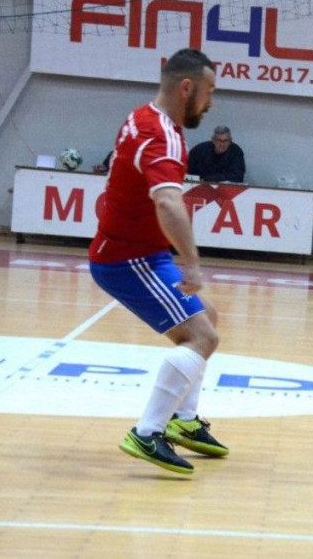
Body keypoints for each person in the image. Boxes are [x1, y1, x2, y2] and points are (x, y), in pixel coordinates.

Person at [89, 48, 228, 475]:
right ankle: (148, 432)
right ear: (187, 88)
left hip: (139, 252)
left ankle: (183, 420)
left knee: (207, 316)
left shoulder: (143, 117)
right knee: (202, 337)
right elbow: (168, 202)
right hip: (128, 259)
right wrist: (191, 263)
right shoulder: (161, 135)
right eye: (209, 92)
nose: (211, 102)